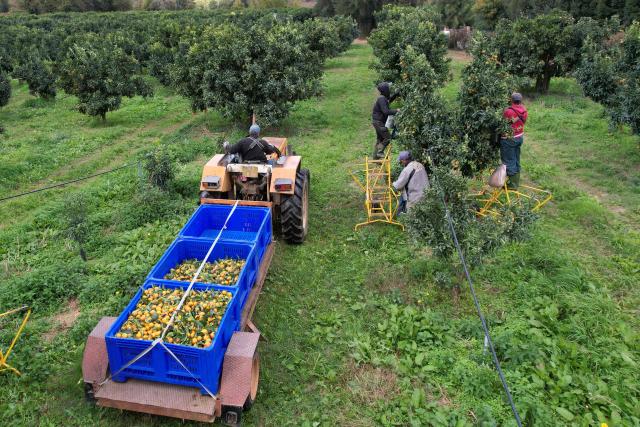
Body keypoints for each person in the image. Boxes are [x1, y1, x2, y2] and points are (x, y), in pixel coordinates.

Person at [501, 92, 528, 189]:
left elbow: (503, 124)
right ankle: (516, 182)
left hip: (509, 139)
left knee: (509, 160)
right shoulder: (524, 110)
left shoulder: (508, 111)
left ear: (511, 100)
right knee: (516, 159)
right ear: (520, 100)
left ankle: (512, 185)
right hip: (519, 137)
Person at [372, 82, 399, 159]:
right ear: (385, 90)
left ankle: (375, 158)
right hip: (379, 122)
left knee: (380, 139)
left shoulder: (383, 99)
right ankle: (380, 152)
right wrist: (396, 110)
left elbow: (389, 100)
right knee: (388, 137)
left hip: (378, 122)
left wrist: (396, 94)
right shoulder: (381, 99)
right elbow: (386, 111)